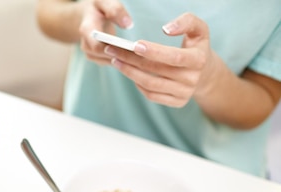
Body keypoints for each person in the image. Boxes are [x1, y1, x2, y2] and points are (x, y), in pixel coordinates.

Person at [36, 0, 281, 177]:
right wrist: (82, 17)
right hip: (90, 140)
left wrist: (210, 79)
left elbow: (264, 98)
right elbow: (46, 12)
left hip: (210, 173)